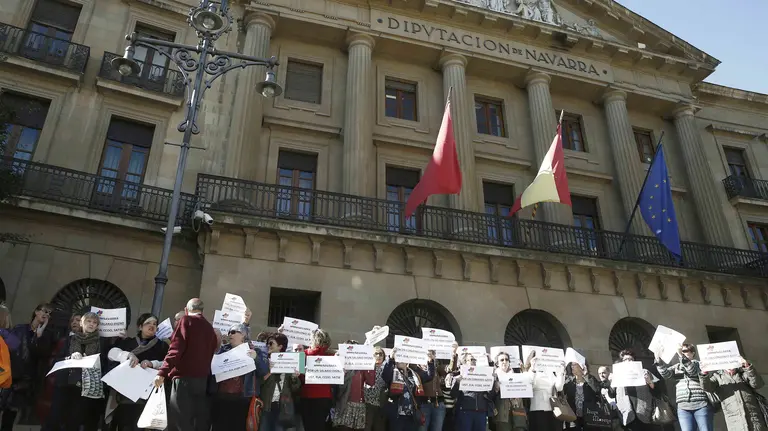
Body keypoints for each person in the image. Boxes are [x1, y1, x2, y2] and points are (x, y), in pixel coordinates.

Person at [154, 298, 219, 431]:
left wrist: (162, 372)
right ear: (202, 310)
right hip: (201, 381)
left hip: (183, 380)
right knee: (194, 422)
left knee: (180, 421)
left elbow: (175, 349)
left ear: (186, 310)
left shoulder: (186, 321)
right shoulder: (209, 327)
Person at [107, 313, 169, 431]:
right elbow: (111, 353)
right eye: (148, 323)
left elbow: (168, 364)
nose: (152, 326)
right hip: (126, 396)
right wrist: (128, 355)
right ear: (140, 327)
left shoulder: (162, 346)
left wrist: (153, 363)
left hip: (148, 396)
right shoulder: (128, 342)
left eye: (154, 324)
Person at [56, 312, 115, 431]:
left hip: (92, 387)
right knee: (71, 421)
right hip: (72, 386)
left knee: (90, 421)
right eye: (89, 321)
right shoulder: (71, 339)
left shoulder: (102, 342)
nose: (92, 324)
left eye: (95, 322)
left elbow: (106, 360)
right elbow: (59, 358)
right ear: (82, 323)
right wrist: (71, 357)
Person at [210, 323, 269, 431]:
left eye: (233, 332)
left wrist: (256, 358)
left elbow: (263, 372)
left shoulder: (255, 351)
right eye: (229, 332)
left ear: (243, 335)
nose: (230, 335)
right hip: (222, 398)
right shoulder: (222, 351)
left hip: (243, 399)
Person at [700, 355, 766, 431]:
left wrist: (748, 367)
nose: (729, 366)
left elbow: (758, 384)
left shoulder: (743, 374)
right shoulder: (718, 377)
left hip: (754, 419)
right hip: (734, 421)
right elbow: (707, 387)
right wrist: (704, 373)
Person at [656, 344, 713, 431]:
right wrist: (658, 361)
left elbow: (692, 371)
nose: (683, 352)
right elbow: (666, 375)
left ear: (693, 353)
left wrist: (681, 355)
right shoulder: (677, 366)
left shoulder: (699, 364)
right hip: (683, 408)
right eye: (682, 351)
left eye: (685, 351)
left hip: (701, 404)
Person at [381, 347, 435, 431]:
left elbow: (429, 376)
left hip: (411, 415)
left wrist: (430, 361)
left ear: (407, 361)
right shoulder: (393, 373)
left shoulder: (414, 374)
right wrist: (391, 358)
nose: (400, 360)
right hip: (397, 415)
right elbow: (385, 375)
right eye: (398, 358)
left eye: (403, 358)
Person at [261, 332, 302, 431]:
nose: (268, 345)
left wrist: (294, 377)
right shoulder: (264, 360)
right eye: (267, 343)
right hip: (266, 406)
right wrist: (269, 371)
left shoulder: (290, 362)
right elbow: (258, 383)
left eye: (271, 343)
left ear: (280, 347)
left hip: (283, 407)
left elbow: (295, 388)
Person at [614, 349, 659, 431]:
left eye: (630, 359)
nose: (628, 361)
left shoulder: (644, 372)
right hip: (627, 412)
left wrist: (649, 381)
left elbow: (656, 390)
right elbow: (612, 394)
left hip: (643, 411)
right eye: (625, 359)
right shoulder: (618, 375)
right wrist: (611, 381)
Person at [334, 340, 374, 430]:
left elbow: (371, 382)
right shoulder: (340, 363)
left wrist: (370, 364)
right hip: (345, 403)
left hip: (359, 404)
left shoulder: (362, 366)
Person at [451, 351, 493, 431]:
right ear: (464, 362)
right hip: (465, 411)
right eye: (470, 360)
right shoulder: (459, 376)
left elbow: (490, 393)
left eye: (474, 360)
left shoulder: (482, 375)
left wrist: (490, 362)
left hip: (481, 411)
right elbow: (453, 395)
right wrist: (457, 383)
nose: (473, 361)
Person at [523, 350, 565, 431]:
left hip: (554, 409)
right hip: (538, 410)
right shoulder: (529, 371)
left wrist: (561, 371)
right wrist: (532, 369)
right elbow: (529, 386)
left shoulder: (550, 372)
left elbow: (559, 387)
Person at [562, 361, 600, 430]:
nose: (572, 367)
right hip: (573, 417)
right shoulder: (569, 381)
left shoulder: (590, 379)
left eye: (574, 365)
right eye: (571, 365)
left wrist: (586, 376)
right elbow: (561, 392)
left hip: (589, 415)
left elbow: (597, 391)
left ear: (581, 366)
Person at [364, 346, 387, 431]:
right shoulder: (367, 368)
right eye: (376, 354)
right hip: (368, 403)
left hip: (381, 404)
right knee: (367, 427)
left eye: (381, 354)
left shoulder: (387, 370)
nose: (378, 356)